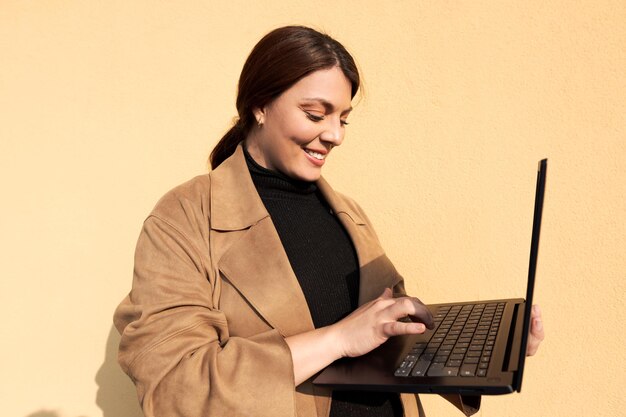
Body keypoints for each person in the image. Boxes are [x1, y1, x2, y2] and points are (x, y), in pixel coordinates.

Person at [114, 25, 544, 417]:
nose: (335, 134)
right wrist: (337, 339)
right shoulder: (185, 218)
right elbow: (174, 386)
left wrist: (489, 353)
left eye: (343, 118)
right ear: (260, 105)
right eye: (316, 114)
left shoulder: (349, 213)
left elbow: (387, 338)